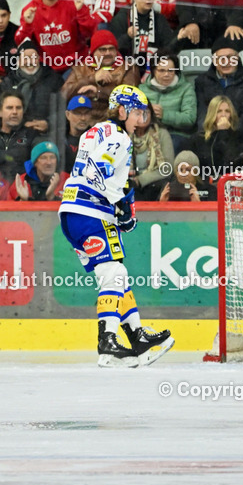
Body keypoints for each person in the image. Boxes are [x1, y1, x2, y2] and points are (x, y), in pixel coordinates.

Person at [58, 84, 174, 367]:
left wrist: (121, 204)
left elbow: (97, 170)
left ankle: (136, 336)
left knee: (115, 272)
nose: (141, 119)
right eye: (136, 112)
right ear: (121, 111)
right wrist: (121, 203)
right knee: (113, 272)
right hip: (90, 211)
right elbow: (101, 169)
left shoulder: (96, 131)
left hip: (74, 210)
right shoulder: (119, 137)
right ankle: (107, 341)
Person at [15, 0, 95, 74]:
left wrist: (81, 11)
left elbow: (89, 33)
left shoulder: (73, 3)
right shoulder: (31, 9)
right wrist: (27, 25)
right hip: (46, 68)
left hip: (76, 63)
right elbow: (20, 41)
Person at [193, 36, 243, 136]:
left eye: (230, 57)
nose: (226, 62)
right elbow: (202, 114)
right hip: (211, 135)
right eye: (221, 58)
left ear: (238, 58)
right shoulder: (201, 81)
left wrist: (229, 131)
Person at [60, 29, 142, 117]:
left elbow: (129, 97)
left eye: (111, 49)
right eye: (102, 50)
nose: (108, 53)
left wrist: (98, 92)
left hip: (113, 118)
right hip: (83, 118)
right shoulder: (80, 68)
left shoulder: (128, 68)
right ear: (93, 52)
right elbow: (64, 94)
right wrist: (93, 79)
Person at [108, 0, 176, 64]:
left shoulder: (159, 19)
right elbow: (113, 49)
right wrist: (128, 37)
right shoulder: (123, 17)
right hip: (127, 66)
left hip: (153, 67)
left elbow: (168, 48)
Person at [0, 89, 43, 178]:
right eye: (9, 108)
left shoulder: (32, 136)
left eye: (18, 108)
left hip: (22, 186)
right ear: (0, 112)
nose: (15, 112)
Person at [139, 53, 196, 144]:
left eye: (171, 71)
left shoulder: (186, 89)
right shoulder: (142, 89)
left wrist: (164, 115)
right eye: (162, 71)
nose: (166, 74)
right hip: (146, 133)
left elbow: (189, 119)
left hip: (175, 134)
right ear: (154, 71)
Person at [187, 95, 243, 178]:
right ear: (212, 113)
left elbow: (230, 164)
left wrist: (224, 133)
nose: (223, 115)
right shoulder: (198, 139)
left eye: (227, 111)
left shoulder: (239, 137)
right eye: (219, 111)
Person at [60, 94, 95, 169]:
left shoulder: (97, 139)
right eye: (78, 113)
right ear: (68, 114)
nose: (83, 118)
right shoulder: (59, 138)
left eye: (86, 113)